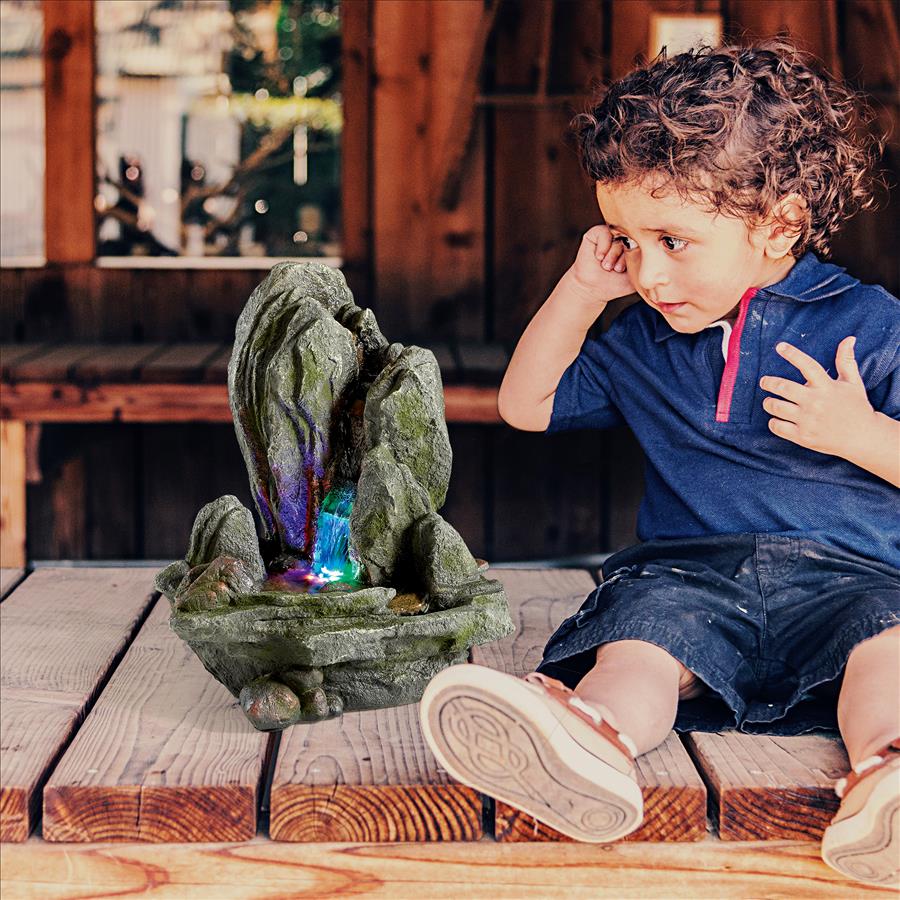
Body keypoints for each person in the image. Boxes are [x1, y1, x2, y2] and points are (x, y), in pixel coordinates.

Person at [418, 38, 899, 887]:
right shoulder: (641, 339)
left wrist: (858, 433)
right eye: (627, 240)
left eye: (673, 241)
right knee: (640, 640)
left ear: (780, 224)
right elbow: (525, 405)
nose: (646, 271)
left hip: (855, 581)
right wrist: (580, 292)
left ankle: (886, 779)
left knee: (891, 646)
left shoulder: (873, 324)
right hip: (689, 578)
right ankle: (590, 744)